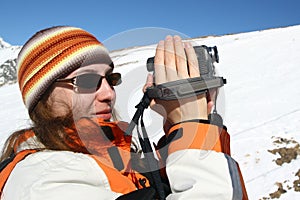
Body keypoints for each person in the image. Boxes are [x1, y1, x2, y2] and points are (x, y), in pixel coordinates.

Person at [0, 26, 248, 199]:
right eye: (87, 81)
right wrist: (192, 125)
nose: (109, 93)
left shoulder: (116, 154)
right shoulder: (42, 182)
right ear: (42, 98)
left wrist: (189, 125)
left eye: (110, 78)